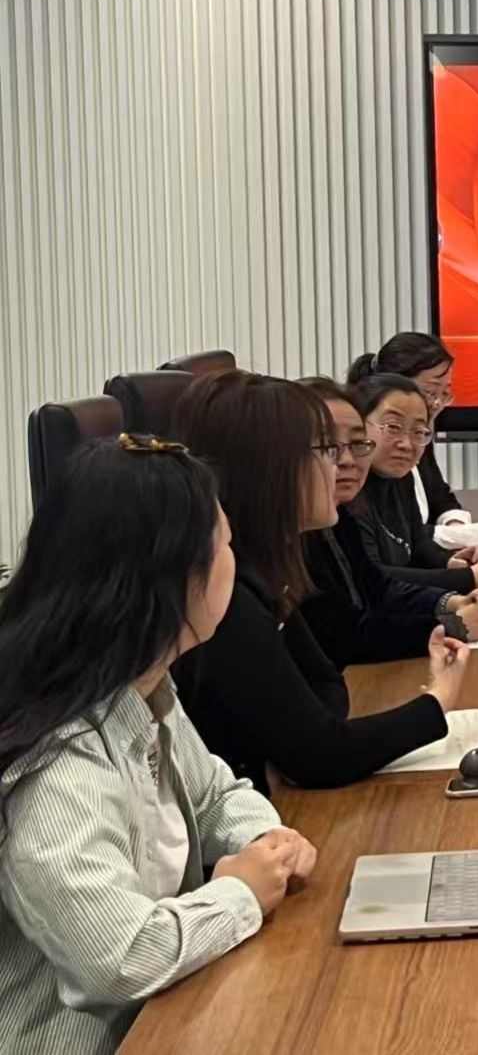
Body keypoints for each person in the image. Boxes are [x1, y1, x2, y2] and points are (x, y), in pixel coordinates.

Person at [0, 436, 316, 1055]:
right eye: (225, 545)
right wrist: (240, 893)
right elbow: (118, 960)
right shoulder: (60, 765)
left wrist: (264, 839)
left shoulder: (141, 689)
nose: (235, 562)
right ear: (174, 577)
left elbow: (214, 793)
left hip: (175, 1014)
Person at [168, 372, 469, 796]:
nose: (340, 464)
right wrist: (438, 699)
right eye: (325, 450)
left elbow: (326, 685)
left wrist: (290, 748)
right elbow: (321, 754)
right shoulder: (223, 592)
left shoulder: (267, 567)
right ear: (269, 468)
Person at [296, 378, 478, 660]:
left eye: (356, 444)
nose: (347, 460)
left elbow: (377, 584)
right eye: (327, 446)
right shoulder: (299, 529)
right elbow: (340, 635)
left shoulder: (341, 510)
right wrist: (453, 623)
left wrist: (449, 601)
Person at [346, 333, 478, 550]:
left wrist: (460, 533)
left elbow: (440, 499)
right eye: (430, 392)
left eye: (445, 394)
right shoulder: (368, 462)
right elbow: (404, 537)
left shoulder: (418, 438)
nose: (437, 404)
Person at [347, 373, 478, 595]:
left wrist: (450, 562)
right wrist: (466, 579)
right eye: (393, 427)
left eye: (418, 432)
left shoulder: (402, 479)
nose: (406, 444)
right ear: (358, 426)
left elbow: (418, 546)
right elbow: (370, 579)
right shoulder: (347, 490)